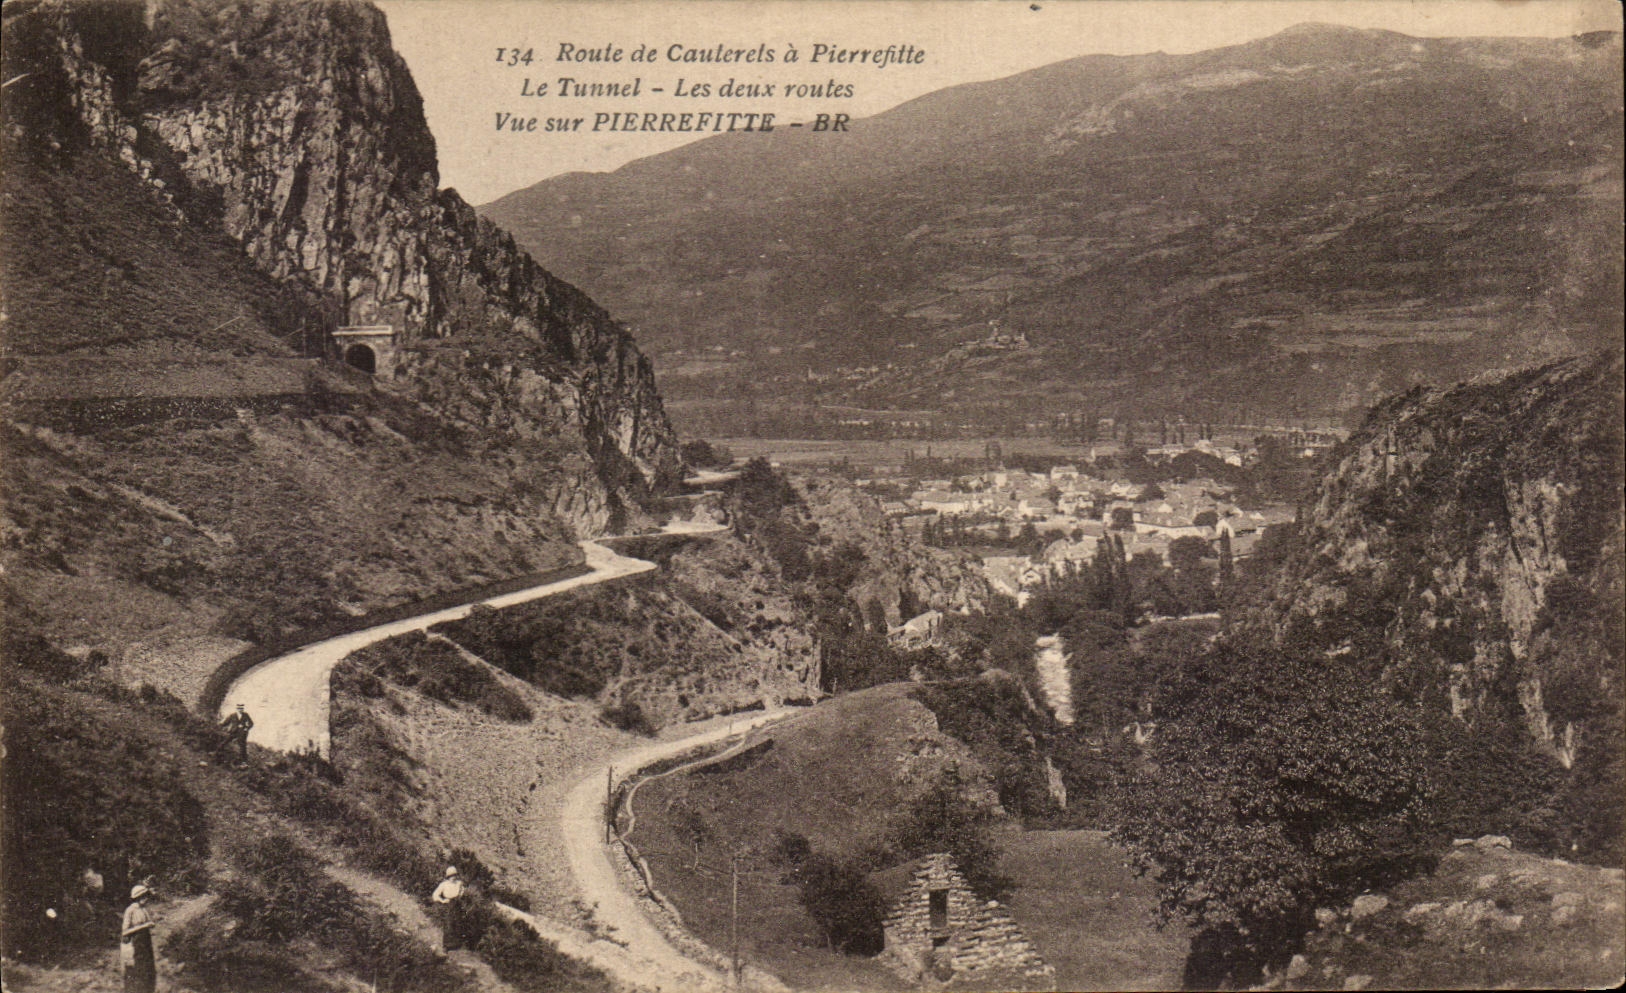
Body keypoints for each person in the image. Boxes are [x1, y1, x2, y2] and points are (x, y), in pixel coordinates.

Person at [121, 884, 156, 993]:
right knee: (137, 970)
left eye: (146, 897)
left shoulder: (143, 910)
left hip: (146, 942)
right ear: (137, 897)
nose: (146, 899)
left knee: (148, 970)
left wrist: (150, 923)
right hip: (135, 943)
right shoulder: (130, 910)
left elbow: (149, 922)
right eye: (143, 897)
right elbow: (125, 932)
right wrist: (144, 926)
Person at [430, 866, 466, 951]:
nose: (453, 877)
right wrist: (442, 901)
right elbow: (435, 894)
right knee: (448, 923)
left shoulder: (459, 883)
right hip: (448, 904)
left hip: (457, 904)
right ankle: (446, 946)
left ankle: (456, 944)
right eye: (451, 875)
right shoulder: (444, 884)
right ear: (448, 876)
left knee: (457, 922)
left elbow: (462, 889)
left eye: (455, 875)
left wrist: (460, 896)